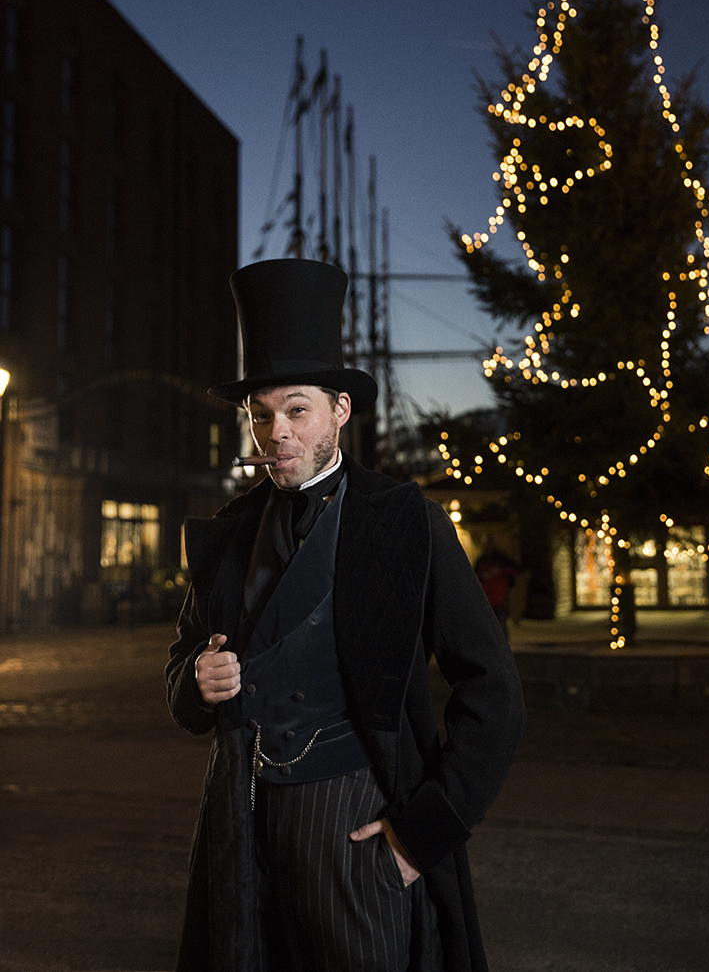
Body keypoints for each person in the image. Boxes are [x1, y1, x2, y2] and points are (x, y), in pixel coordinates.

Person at [165, 258, 526, 972]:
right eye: (260, 415)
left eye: (296, 410)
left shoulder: (407, 526)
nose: (277, 434)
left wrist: (419, 836)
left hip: (353, 823)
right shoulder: (230, 534)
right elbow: (181, 669)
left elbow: (495, 694)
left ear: (340, 410)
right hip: (238, 818)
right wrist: (193, 682)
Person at [474, 537, 520, 637]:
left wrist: (499, 572)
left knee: (501, 623)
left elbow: (513, 570)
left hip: (500, 597)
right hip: (487, 598)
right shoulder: (481, 560)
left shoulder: (502, 559)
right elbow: (474, 576)